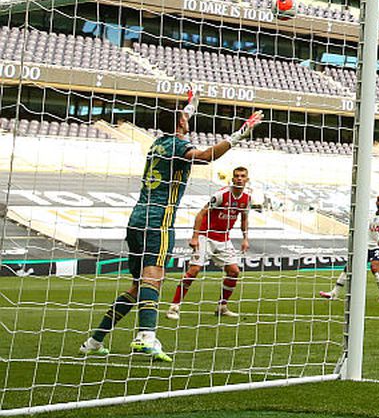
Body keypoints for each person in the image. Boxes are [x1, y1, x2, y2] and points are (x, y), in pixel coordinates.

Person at [80, 89, 262, 362]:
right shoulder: (178, 147)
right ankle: (146, 338)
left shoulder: (159, 143)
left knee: (138, 286)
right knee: (154, 278)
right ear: (180, 123)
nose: (186, 121)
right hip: (158, 221)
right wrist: (239, 134)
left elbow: (177, 123)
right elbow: (205, 156)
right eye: (184, 118)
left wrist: (190, 105)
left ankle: (94, 341)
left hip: (137, 219)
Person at [166, 166, 252, 319]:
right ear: (232, 179)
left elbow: (244, 219)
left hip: (224, 238)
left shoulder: (247, 198)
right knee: (194, 271)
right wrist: (195, 236)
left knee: (234, 272)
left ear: (247, 179)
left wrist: (245, 238)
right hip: (205, 236)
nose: (239, 178)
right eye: (237, 176)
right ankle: (174, 307)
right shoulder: (222, 194)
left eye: (242, 176)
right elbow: (201, 214)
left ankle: (222, 306)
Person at [319, 194, 379, 303]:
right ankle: (334, 293)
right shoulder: (372, 215)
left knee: (374, 267)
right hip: (366, 246)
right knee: (349, 266)